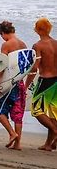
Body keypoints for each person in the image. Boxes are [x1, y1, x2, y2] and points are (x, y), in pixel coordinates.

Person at [0, 21, 27, 150]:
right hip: (20, 82)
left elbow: (2, 66)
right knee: (17, 114)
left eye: (1, 35)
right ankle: (18, 144)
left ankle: (12, 133)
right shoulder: (23, 44)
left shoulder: (6, 45)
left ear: (3, 33)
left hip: (8, 83)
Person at [25, 18, 57, 151]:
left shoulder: (38, 46)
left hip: (45, 80)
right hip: (56, 81)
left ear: (38, 29)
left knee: (37, 110)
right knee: (52, 112)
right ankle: (49, 144)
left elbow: (34, 68)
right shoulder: (56, 43)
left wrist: (26, 85)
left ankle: (55, 130)